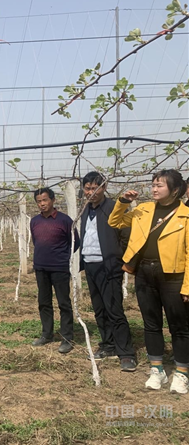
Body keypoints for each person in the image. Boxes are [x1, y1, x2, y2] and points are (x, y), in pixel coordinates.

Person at [108, 169, 189, 394]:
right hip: (145, 272)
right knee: (151, 323)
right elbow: (115, 221)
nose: (154, 189)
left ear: (174, 190)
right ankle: (157, 370)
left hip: (174, 276)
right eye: (153, 184)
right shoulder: (143, 210)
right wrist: (123, 202)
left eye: (160, 185)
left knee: (179, 326)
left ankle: (182, 373)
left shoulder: (186, 215)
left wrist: (188, 286)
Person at [79, 172, 136, 371]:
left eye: (95, 187)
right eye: (87, 188)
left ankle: (126, 353)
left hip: (109, 266)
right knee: (99, 310)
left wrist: (120, 261)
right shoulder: (86, 209)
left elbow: (126, 237)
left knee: (115, 310)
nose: (91, 192)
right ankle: (108, 345)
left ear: (104, 187)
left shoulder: (113, 208)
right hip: (90, 265)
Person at [30, 187, 79, 354]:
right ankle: (47, 334)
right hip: (41, 267)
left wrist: (61, 256)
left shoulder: (65, 220)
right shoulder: (35, 221)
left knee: (63, 303)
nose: (42, 204)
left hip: (59, 268)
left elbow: (75, 242)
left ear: (53, 200)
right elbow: (35, 241)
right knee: (44, 302)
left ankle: (66, 338)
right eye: (39, 201)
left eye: (45, 200)